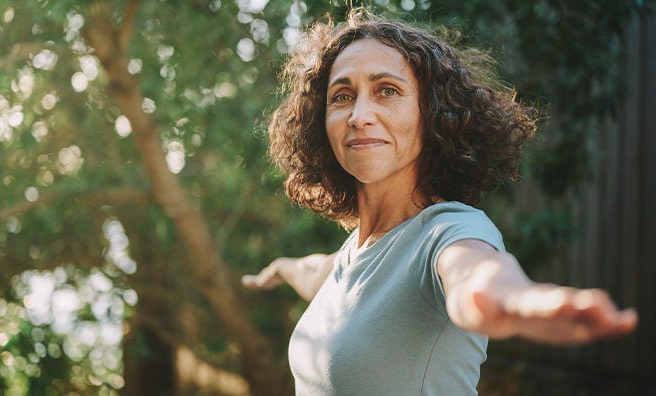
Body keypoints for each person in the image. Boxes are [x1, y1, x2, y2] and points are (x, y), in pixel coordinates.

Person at [241, 9, 638, 395]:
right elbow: (314, 272)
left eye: (387, 91)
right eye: (342, 96)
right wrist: (279, 269)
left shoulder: (448, 231)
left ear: (432, 115)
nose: (360, 115)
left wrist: (517, 301)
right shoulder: (353, 254)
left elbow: (475, 275)